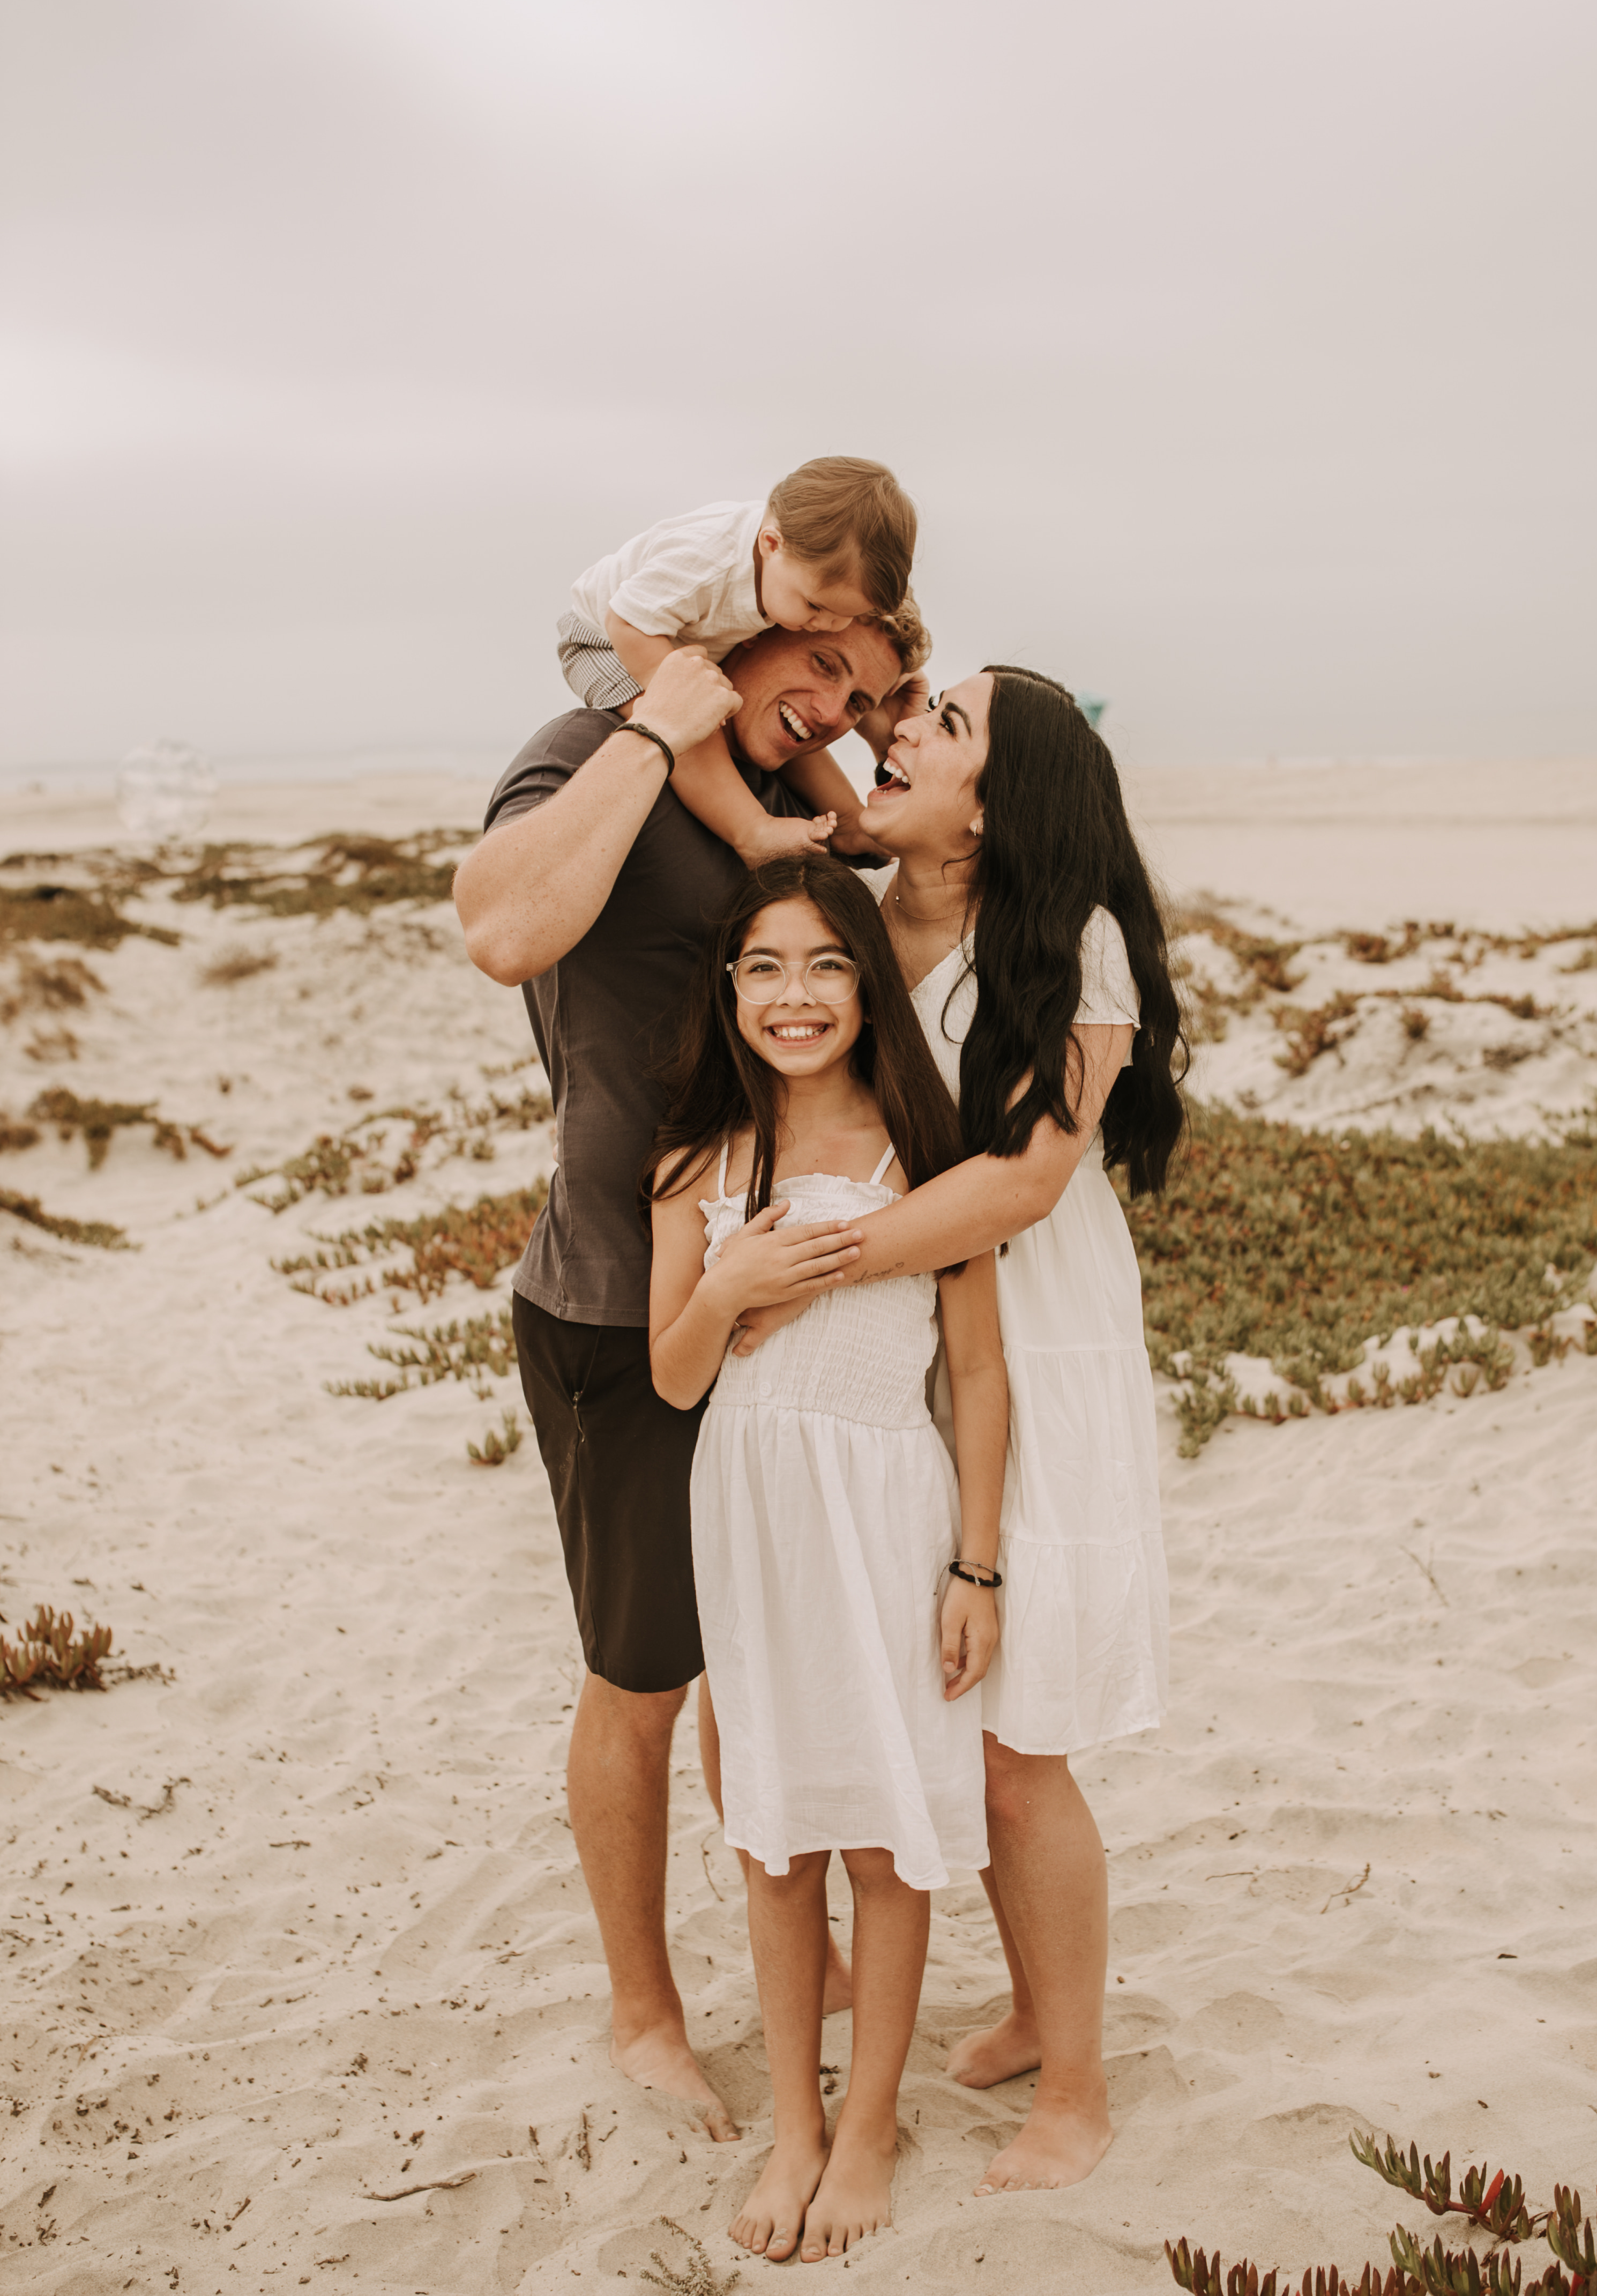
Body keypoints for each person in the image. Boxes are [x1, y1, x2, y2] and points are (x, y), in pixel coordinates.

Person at [452, 620, 919, 2143]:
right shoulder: (597, 752)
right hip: (614, 1297)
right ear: (748, 610)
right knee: (642, 1674)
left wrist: (828, 742)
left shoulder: (775, 798)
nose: (839, 711)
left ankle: (815, 1955)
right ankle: (644, 2008)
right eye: (828, 666)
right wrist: (658, 722)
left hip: (773, 1308)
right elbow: (503, 929)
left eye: (865, 695)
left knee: (761, 1658)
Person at [726, 664, 1185, 2195]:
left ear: (1004, 798)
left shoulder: (1070, 941)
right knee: (940, 1708)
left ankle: (1079, 2084)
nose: (901, 734)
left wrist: (817, 1257)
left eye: (944, 726)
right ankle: (1033, 2002)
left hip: (1025, 1340)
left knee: (1019, 1740)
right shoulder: (860, 902)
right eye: (907, 716)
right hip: (884, 1366)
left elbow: (1024, 1183)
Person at [647, 857, 1008, 2263]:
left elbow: (976, 1374)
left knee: (887, 1833)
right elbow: (676, 1381)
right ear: (729, 989)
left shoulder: (929, 1156)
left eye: (824, 965)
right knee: (778, 1834)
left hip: (890, 1511)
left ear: (867, 981)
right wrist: (727, 1282)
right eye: (764, 968)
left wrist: (974, 1567)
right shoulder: (699, 1160)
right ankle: (796, 2125)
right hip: (754, 1522)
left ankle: (868, 2127)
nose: (794, 997)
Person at [556, 457, 919, 866]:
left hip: (671, 631)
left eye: (846, 616)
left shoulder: (792, 564)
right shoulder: (710, 562)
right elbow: (624, 618)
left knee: (794, 719)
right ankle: (752, 832)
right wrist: (680, 702)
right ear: (771, 544)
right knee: (695, 724)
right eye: (816, 607)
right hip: (607, 637)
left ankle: (851, 823)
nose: (828, 625)